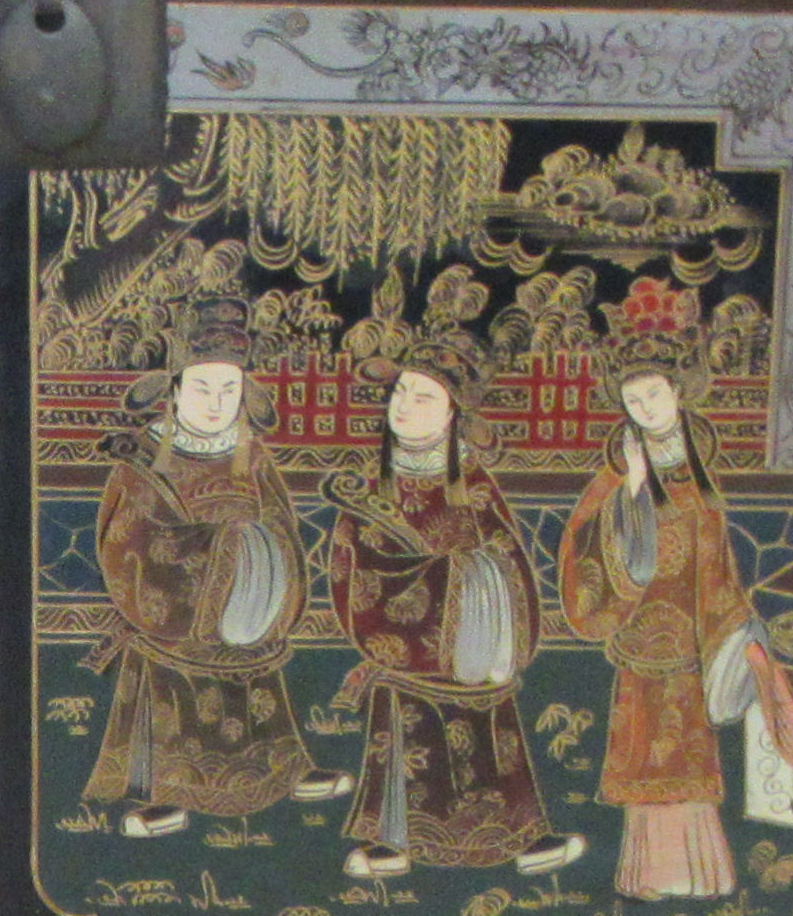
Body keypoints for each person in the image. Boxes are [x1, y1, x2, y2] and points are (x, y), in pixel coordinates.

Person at [554, 284, 793, 899]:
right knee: (649, 755)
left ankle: (702, 875)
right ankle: (649, 875)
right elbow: (586, 550)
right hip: (646, 642)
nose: (644, 406)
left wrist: (741, 635)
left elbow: (718, 566)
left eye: (654, 392)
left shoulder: (702, 473)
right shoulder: (618, 474)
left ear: (678, 392)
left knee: (693, 758)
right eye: (632, 397)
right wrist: (632, 494)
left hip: (697, 639)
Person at [327, 345, 582, 882]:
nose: (404, 406)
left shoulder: (472, 481)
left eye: (423, 397)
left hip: (473, 639)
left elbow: (506, 553)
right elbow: (349, 562)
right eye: (400, 392)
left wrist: (475, 586)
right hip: (400, 643)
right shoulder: (370, 482)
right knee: (405, 737)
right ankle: (391, 843)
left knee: (490, 738)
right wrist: (407, 596)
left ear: (451, 416)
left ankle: (521, 837)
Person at [85, 300, 327, 836]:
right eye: (201, 388)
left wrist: (261, 555)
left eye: (229, 389)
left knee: (256, 688)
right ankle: (164, 798)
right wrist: (209, 554)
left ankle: (279, 770)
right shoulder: (142, 458)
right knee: (174, 697)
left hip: (246, 616)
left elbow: (283, 524)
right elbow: (126, 543)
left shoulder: (254, 455)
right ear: (172, 389)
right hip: (172, 628)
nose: (217, 404)